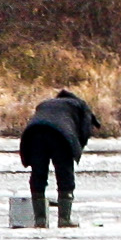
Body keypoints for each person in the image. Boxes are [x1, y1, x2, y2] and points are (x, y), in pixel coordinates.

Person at [18, 90, 101, 229]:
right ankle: (64, 219)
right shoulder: (81, 105)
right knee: (64, 174)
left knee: (38, 174)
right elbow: (85, 130)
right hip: (61, 135)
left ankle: (40, 220)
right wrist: (77, 147)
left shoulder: (45, 103)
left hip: (33, 133)